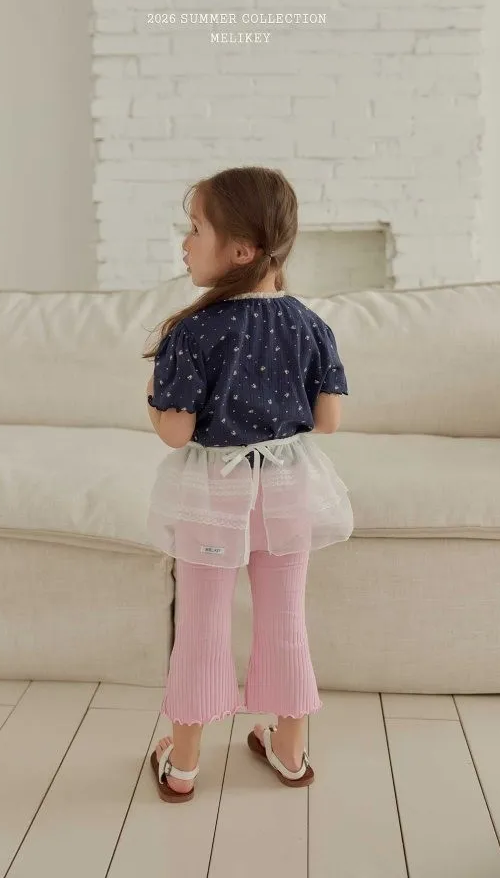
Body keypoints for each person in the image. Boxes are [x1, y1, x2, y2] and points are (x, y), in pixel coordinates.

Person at [142, 165, 354, 803]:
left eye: (194, 228)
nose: (185, 243)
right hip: (288, 491)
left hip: (216, 496)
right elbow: (328, 420)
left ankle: (183, 763)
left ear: (241, 250)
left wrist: (153, 399)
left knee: (202, 622)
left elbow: (176, 432)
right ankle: (290, 750)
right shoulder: (311, 324)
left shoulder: (192, 331)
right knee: (285, 616)